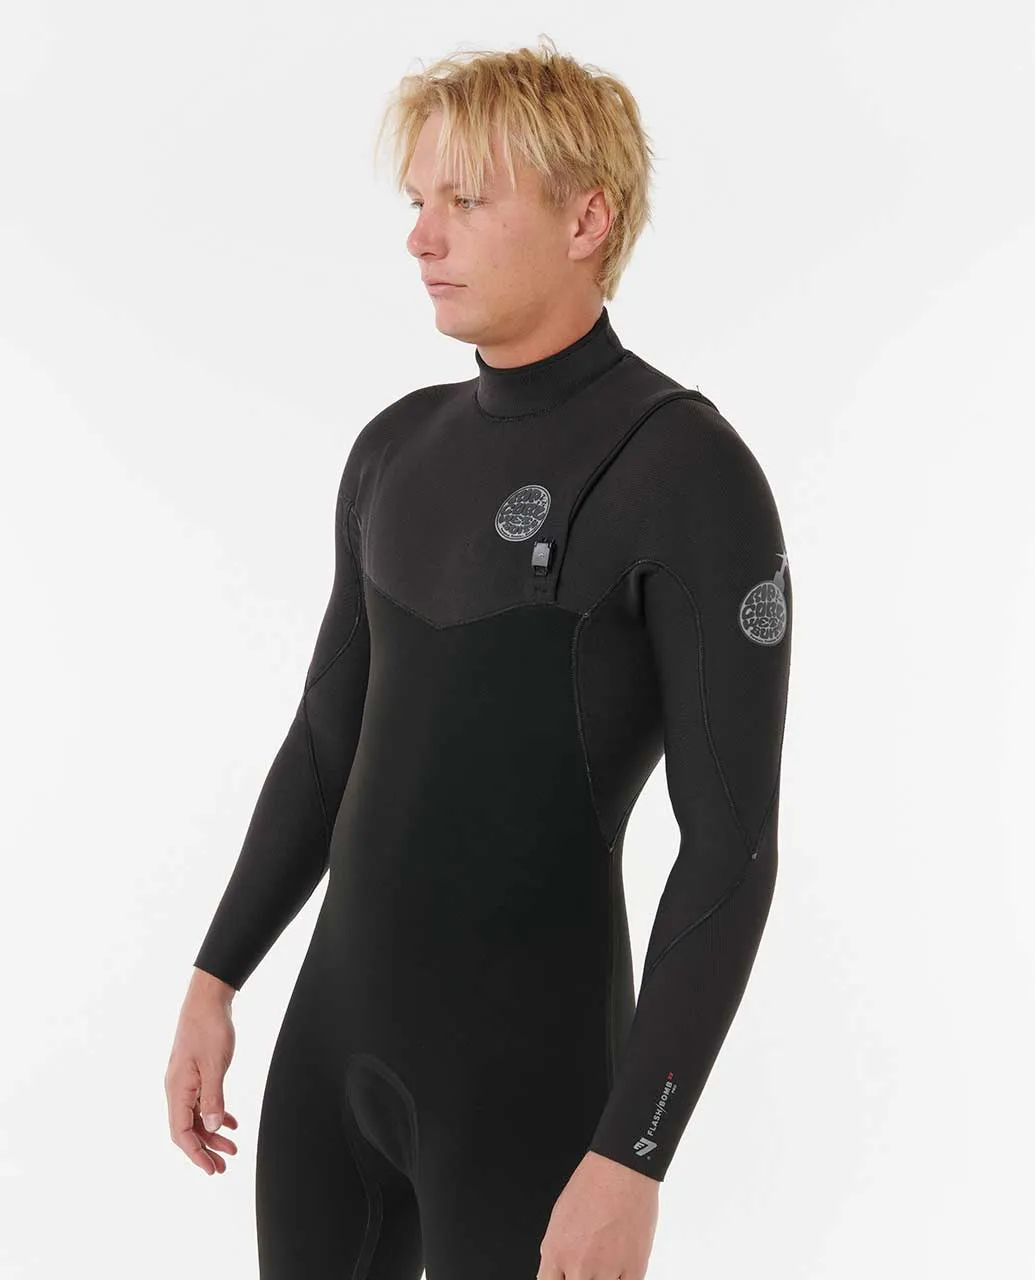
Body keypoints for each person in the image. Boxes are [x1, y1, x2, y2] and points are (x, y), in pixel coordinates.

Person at [164, 34, 792, 1280]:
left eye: (465, 199)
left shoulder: (686, 471)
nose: (420, 237)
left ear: (586, 219)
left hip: (534, 1096)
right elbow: (328, 738)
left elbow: (730, 848)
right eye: (417, 201)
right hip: (328, 1066)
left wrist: (634, 1155)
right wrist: (214, 974)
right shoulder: (396, 449)